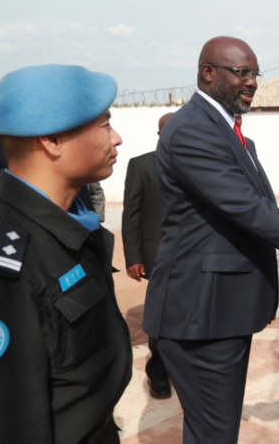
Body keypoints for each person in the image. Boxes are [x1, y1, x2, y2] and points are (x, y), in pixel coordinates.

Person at [142, 36, 279, 444]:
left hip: (220, 309)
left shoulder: (229, 130)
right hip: (201, 316)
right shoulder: (192, 131)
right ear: (208, 73)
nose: (252, 82)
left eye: (255, 73)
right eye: (241, 72)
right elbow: (250, 211)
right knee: (214, 433)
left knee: (211, 430)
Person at [0, 64, 131, 443]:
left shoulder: (65, 223)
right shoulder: (0, 266)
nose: (116, 138)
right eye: (105, 125)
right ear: (52, 139)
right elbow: (1, 423)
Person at [121, 112, 173, 399]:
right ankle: (159, 374)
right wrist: (133, 256)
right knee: (162, 317)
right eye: (167, 131)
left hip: (193, 256)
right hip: (158, 256)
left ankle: (182, 367)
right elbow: (132, 213)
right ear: (158, 135)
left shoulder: (198, 163)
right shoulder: (141, 165)